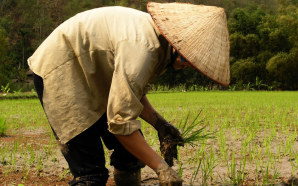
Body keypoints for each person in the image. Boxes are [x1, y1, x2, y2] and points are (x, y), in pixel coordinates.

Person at [28, 2, 230, 186]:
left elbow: (130, 93)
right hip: (61, 71)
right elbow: (120, 123)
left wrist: (160, 124)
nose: (190, 65)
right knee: (91, 174)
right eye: (189, 59)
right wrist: (161, 168)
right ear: (178, 44)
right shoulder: (144, 49)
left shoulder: (157, 41)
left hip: (92, 77)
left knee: (130, 156)